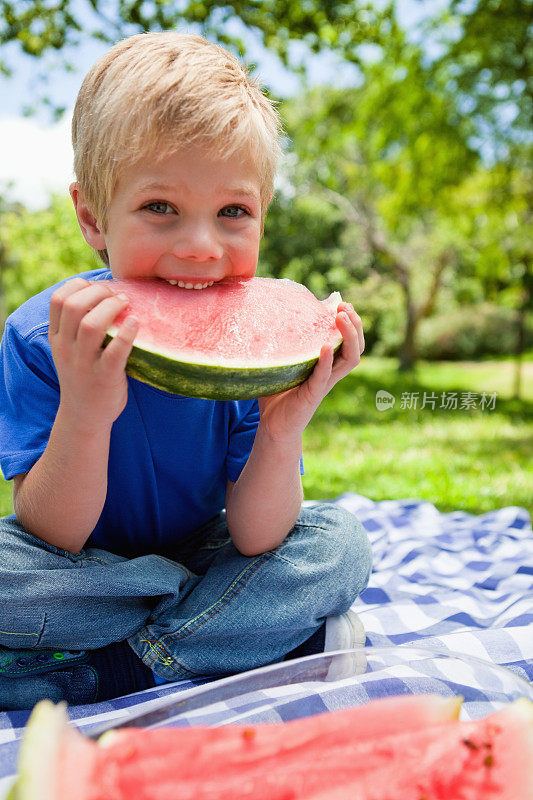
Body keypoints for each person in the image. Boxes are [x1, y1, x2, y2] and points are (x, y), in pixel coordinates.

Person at [0, 32, 372, 710]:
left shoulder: (251, 362)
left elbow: (257, 536)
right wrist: (86, 409)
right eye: (159, 208)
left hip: (207, 547)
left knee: (337, 544)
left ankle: (118, 666)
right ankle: (238, 633)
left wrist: (281, 429)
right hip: (79, 570)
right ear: (92, 215)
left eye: (232, 212)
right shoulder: (39, 336)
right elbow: (51, 532)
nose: (200, 248)